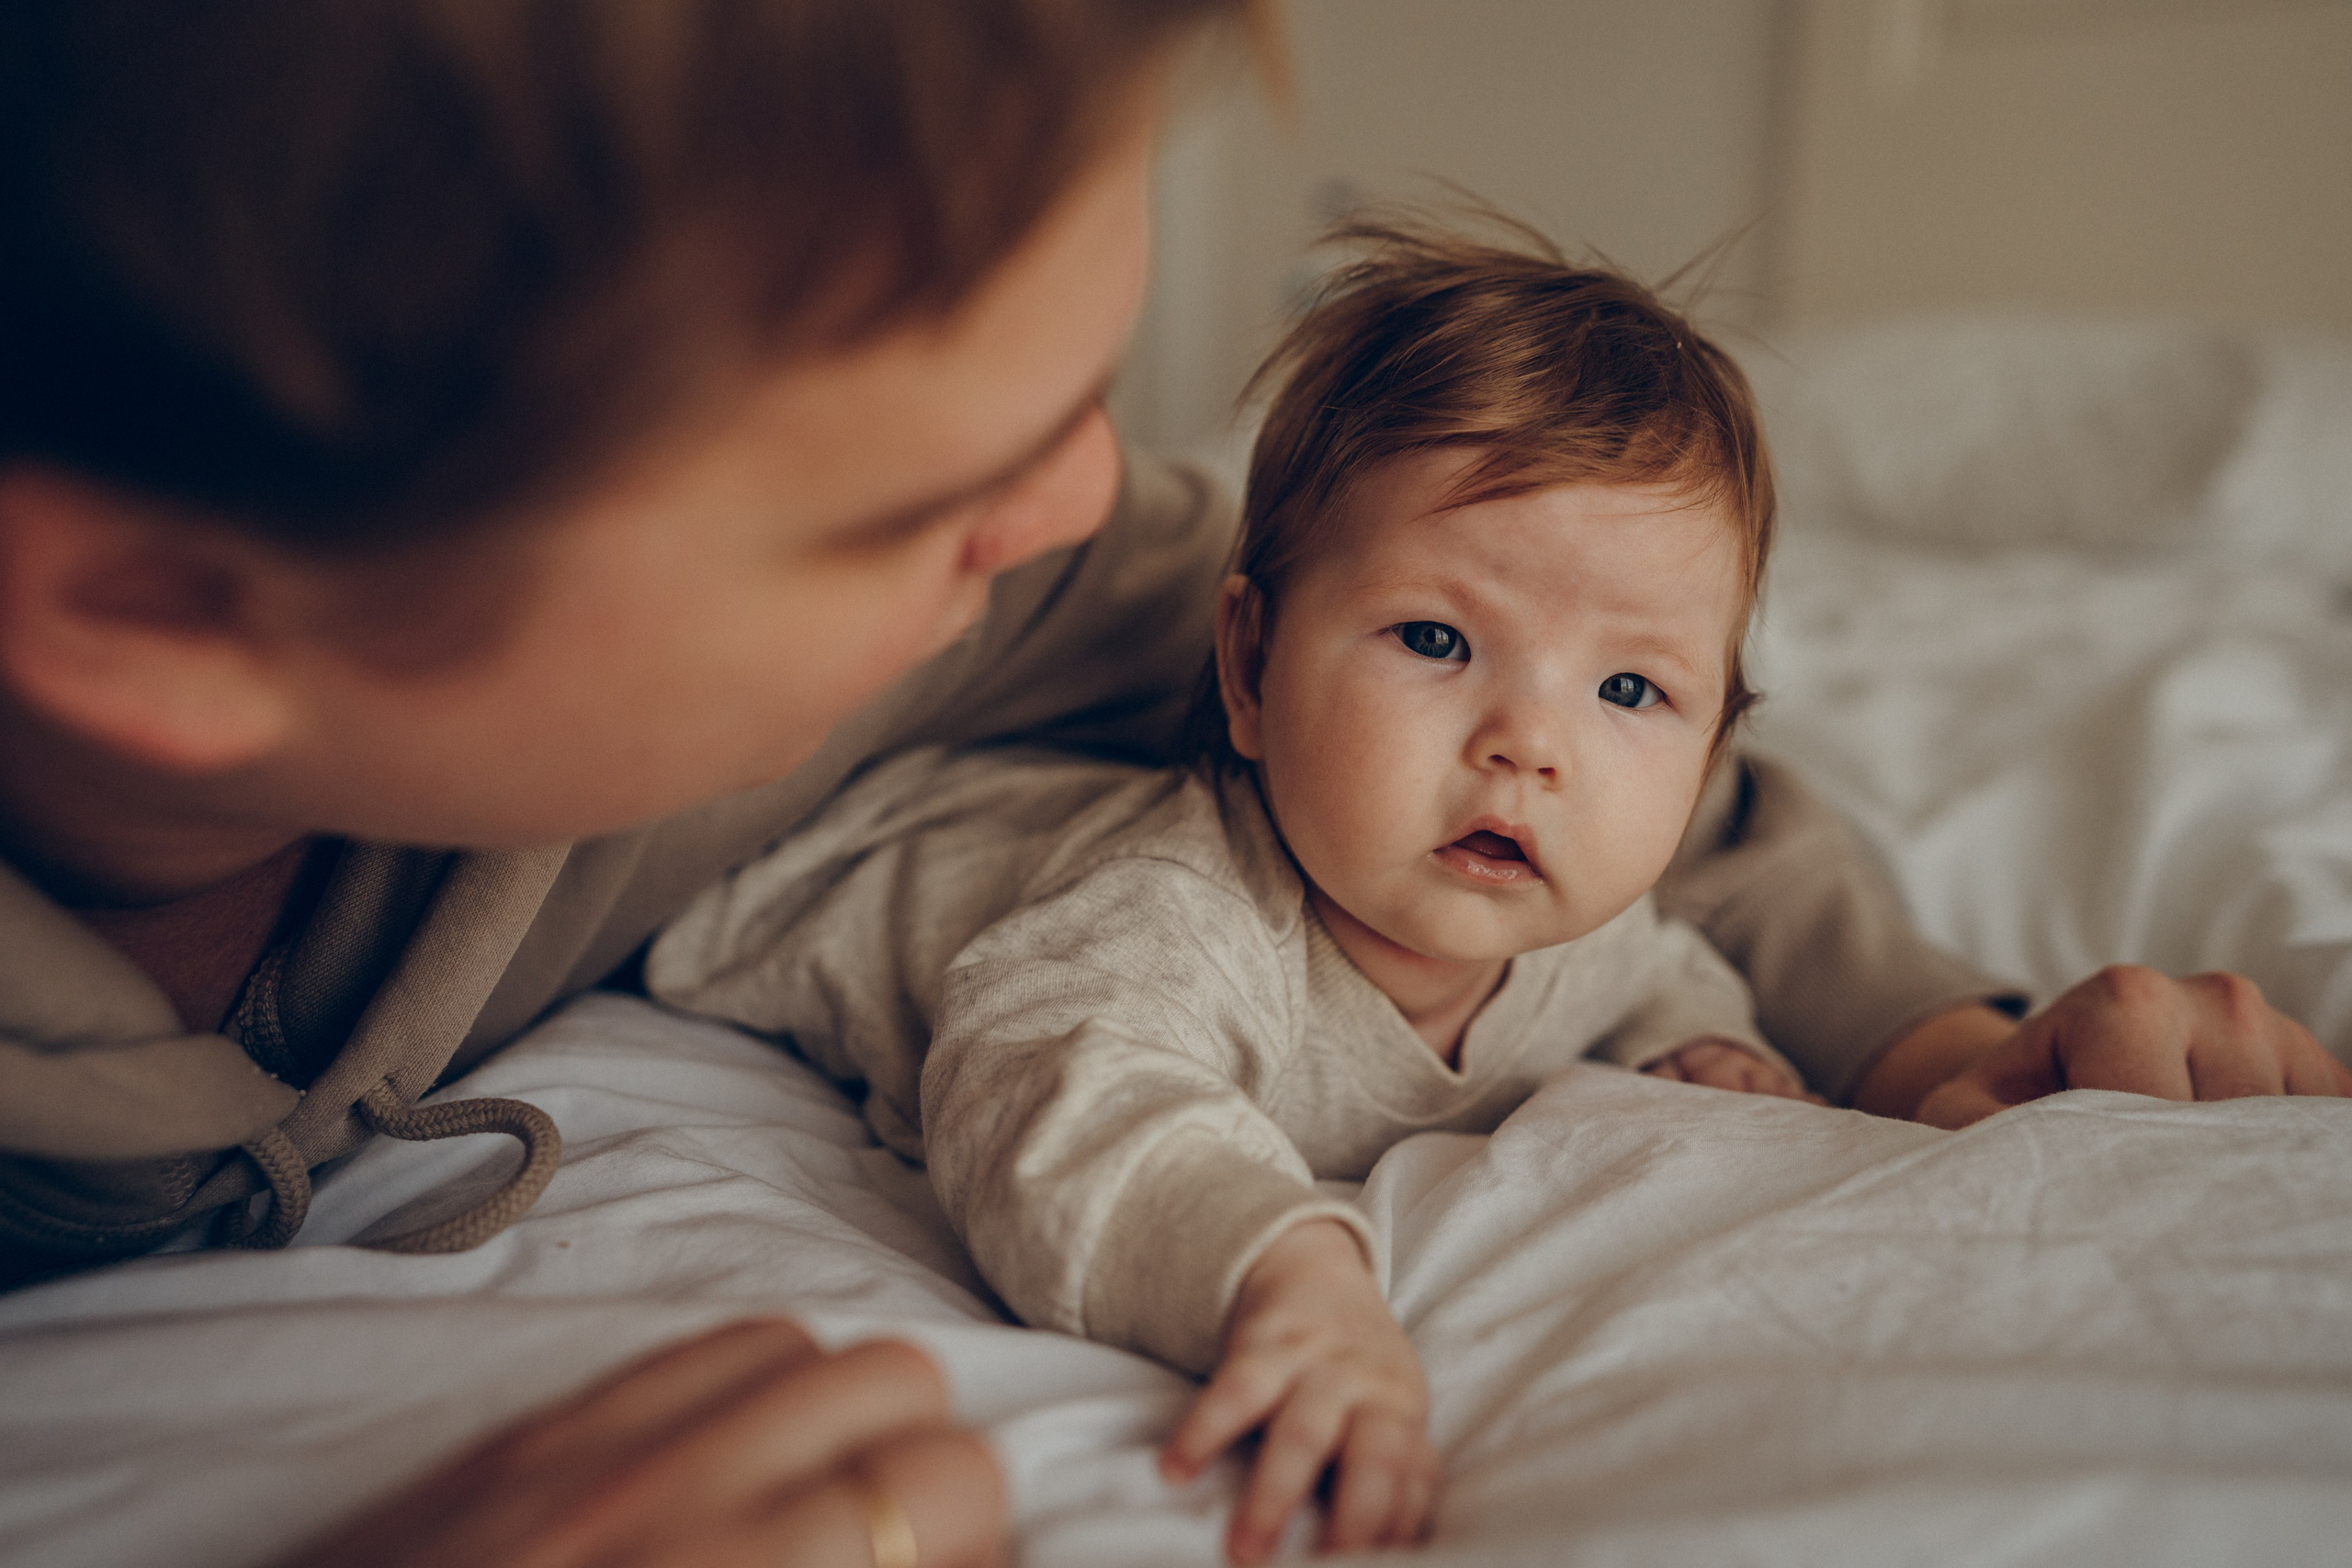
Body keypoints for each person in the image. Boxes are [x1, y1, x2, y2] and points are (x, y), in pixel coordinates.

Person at [0, 4, 2341, 1567]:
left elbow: (1602, 782)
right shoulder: (1115, 889)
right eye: (906, 498)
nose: (1076, 515)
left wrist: (1920, 1035)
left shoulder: (1055, 575)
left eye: (1084, 405)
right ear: (174, 621)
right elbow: (1079, 1056)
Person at [650, 221, 1816, 1561]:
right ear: (1251, 667)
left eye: (1630, 690)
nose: (1529, 743)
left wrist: (1706, 1044)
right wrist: (1284, 1269)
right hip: (808, 859)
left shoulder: (1583, 935)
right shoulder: (1178, 916)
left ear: (1718, 738)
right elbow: (1062, 1087)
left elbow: (1661, 961)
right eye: (1436, 639)